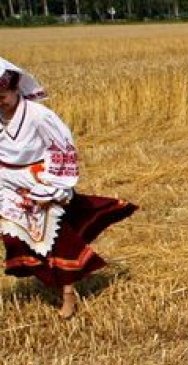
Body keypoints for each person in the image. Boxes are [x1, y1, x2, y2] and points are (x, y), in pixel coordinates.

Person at [0, 58, 137, 319]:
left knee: (59, 240)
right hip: (6, 184)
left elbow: (61, 148)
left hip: (39, 181)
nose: (0, 101)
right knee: (14, 236)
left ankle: (68, 294)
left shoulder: (39, 116)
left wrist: (51, 186)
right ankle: (43, 274)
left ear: (16, 90)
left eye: (3, 95)